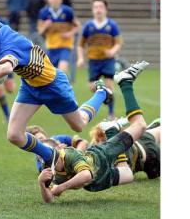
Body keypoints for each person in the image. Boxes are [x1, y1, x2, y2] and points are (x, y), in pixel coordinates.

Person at [0, 9, 114, 188]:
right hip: (30, 86)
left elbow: (7, 68)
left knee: (79, 124)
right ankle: (50, 155)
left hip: (53, 86)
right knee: (14, 135)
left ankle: (101, 93)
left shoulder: (8, 47)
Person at [38, 61, 149, 203]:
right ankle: (111, 124)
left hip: (104, 154)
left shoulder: (69, 154)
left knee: (140, 125)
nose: (46, 158)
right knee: (128, 176)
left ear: (60, 148)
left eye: (48, 153)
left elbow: (86, 176)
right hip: (96, 182)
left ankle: (125, 83)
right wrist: (42, 184)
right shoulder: (48, 170)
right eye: (44, 156)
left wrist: (61, 188)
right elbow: (49, 199)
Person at [77, 0, 123, 119]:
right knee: (92, 87)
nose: (98, 9)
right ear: (92, 9)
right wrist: (80, 58)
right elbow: (81, 45)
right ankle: (103, 96)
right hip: (93, 61)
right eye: (96, 7)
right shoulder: (88, 26)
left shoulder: (112, 25)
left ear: (105, 9)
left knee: (109, 86)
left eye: (101, 7)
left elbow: (118, 42)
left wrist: (113, 51)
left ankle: (111, 114)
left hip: (108, 61)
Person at [90, 117, 160, 179]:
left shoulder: (113, 155)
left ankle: (114, 128)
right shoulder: (99, 150)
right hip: (140, 141)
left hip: (148, 152)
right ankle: (153, 126)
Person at [38, 0, 80, 73]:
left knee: (61, 70)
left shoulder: (68, 11)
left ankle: (63, 83)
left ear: (61, 0)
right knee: (52, 74)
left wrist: (70, 33)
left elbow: (77, 27)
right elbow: (40, 31)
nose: (55, 0)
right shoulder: (44, 12)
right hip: (51, 47)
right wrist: (45, 26)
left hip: (65, 46)